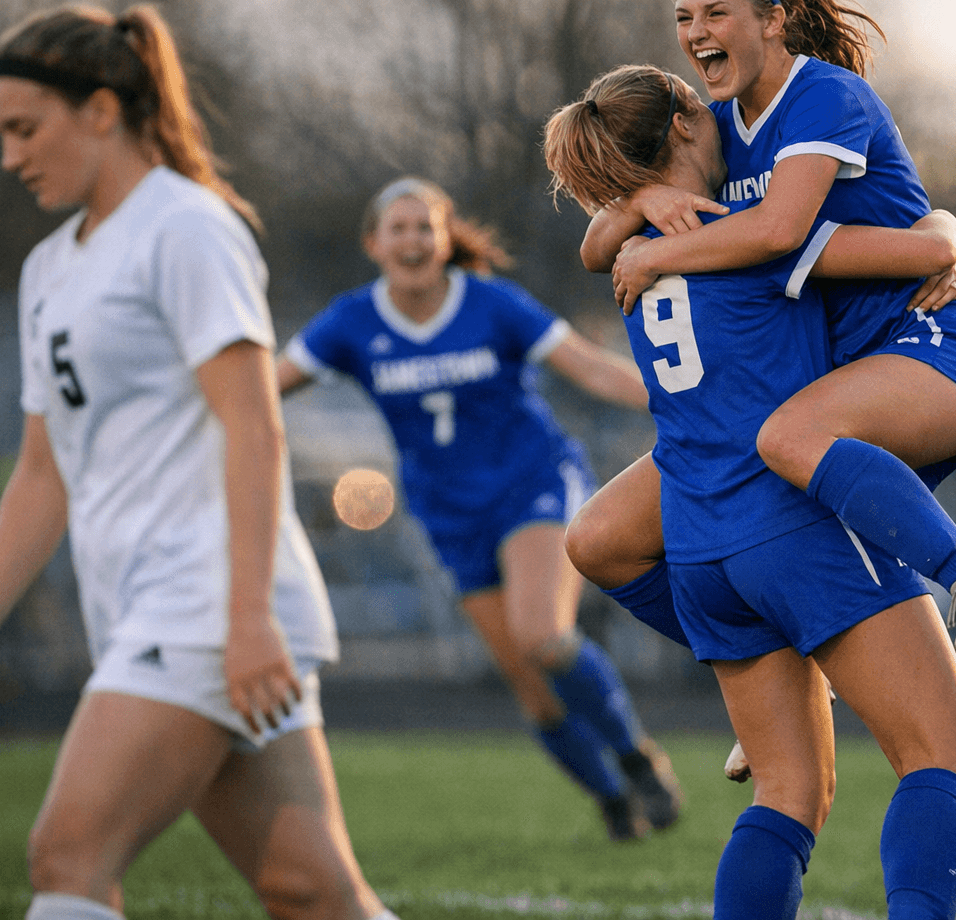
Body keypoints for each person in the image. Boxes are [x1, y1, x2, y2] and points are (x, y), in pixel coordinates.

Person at [0, 3, 399, 920]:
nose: (10, 157)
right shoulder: (47, 269)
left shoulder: (185, 228)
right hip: (160, 610)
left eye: (25, 128)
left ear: (101, 110)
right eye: (0, 135)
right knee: (311, 892)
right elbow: (42, 471)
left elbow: (255, 427)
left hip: (208, 607)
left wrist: (247, 618)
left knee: (69, 853)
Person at [547, 62, 956, 919]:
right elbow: (926, 249)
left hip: (697, 547)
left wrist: (636, 206)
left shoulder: (633, 257)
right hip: (792, 525)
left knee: (788, 793)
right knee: (943, 754)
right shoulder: (744, 233)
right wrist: (944, 233)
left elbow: (597, 243)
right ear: (684, 118)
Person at [561, 0, 956, 666]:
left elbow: (782, 231)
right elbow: (596, 249)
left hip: (924, 345)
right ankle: (776, 665)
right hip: (830, 382)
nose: (696, 32)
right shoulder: (715, 127)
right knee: (600, 538)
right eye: (684, 17)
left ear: (773, 18)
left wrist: (656, 249)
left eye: (715, 12)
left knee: (787, 439)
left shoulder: (821, 95)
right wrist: (646, 199)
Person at [275, 175, 682, 841]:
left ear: (445, 241)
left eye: (425, 227)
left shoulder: (492, 304)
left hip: (531, 486)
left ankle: (637, 756)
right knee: (529, 684)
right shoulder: (352, 321)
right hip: (449, 513)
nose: (412, 240)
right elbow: (263, 387)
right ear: (374, 243)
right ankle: (613, 798)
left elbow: (591, 367)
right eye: (398, 228)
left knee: (543, 636)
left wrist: (684, 403)